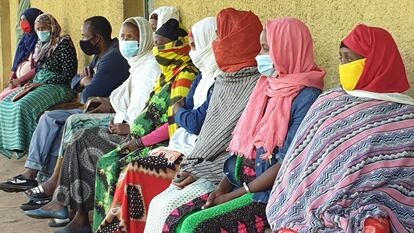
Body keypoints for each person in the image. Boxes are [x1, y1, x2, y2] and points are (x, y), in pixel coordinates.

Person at [24, 18, 198, 233]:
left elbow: (172, 125)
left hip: (150, 139)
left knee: (88, 143)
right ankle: (73, 212)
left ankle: (81, 215)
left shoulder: (179, 74)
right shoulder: (165, 72)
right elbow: (136, 104)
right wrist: (114, 109)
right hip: (134, 130)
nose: (158, 50)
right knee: (78, 135)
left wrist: (135, 136)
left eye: (130, 37)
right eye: (156, 44)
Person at [162, 17, 326, 233]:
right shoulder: (265, 87)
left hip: (266, 196)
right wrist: (222, 188)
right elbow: (242, 147)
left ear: (286, 49)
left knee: (196, 226)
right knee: (174, 218)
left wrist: (232, 195)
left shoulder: (306, 97)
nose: (259, 55)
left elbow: (286, 162)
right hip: (239, 183)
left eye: (266, 48)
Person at [265, 24, 414, 233]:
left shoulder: (407, 118)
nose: (343, 64)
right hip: (304, 209)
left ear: (377, 61)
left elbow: (404, 180)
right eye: (341, 57)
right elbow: (301, 161)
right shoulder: (329, 100)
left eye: (350, 58)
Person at [144, 8, 263, 233]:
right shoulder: (224, 79)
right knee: (158, 204)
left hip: (223, 171)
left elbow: (233, 144)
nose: (216, 43)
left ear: (239, 40)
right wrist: (194, 165)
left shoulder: (256, 83)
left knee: (172, 211)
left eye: (221, 36)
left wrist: (199, 168)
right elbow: (209, 130)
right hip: (200, 162)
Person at [95, 16, 219, 233]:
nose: (157, 50)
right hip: (174, 142)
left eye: (196, 45)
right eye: (155, 45)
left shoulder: (192, 75)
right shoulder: (196, 76)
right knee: (112, 163)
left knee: (127, 169)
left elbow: (192, 120)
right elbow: (181, 115)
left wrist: (180, 114)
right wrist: (182, 114)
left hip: (186, 149)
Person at [0, 16, 130, 195]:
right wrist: (84, 80)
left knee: (63, 126)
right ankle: (33, 174)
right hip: (92, 108)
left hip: (104, 113)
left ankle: (49, 182)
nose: (82, 40)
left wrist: (85, 82)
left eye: (85, 36)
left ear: (97, 39)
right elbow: (76, 80)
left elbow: (86, 94)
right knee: (48, 118)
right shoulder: (101, 55)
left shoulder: (112, 58)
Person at [0, 13, 77, 160]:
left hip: (58, 86)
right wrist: (32, 83)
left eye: (44, 28)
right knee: (5, 103)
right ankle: (13, 145)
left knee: (22, 106)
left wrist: (43, 83)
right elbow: (39, 70)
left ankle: (31, 149)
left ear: (52, 27)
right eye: (38, 29)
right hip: (38, 83)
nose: (41, 32)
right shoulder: (40, 46)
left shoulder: (64, 43)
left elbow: (69, 74)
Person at [0, 8, 43, 100]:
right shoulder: (25, 39)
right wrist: (13, 75)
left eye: (25, 20)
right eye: (21, 20)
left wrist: (20, 80)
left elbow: (38, 67)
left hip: (29, 83)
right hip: (18, 83)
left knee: (3, 98)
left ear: (33, 20)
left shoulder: (40, 42)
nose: (22, 23)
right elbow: (18, 58)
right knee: (2, 96)